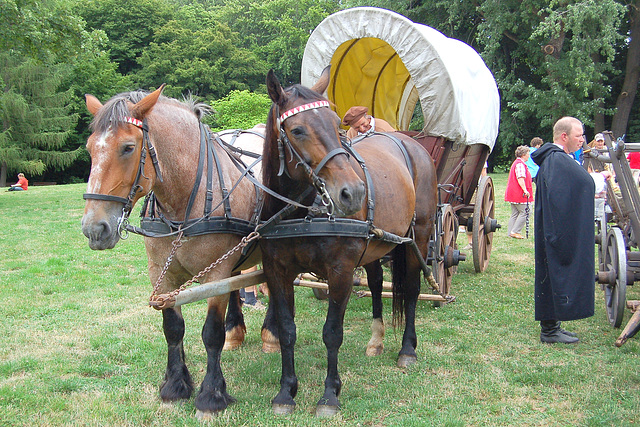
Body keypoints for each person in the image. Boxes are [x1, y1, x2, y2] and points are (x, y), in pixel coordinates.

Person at [531, 116, 595, 344]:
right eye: (579, 136)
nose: (583, 140)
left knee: (551, 275)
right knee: (552, 274)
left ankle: (552, 326)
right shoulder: (557, 160)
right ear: (564, 136)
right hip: (555, 230)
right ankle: (549, 330)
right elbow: (567, 192)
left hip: (553, 228)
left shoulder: (555, 159)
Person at [504, 146, 534, 239]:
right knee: (527, 211)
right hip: (519, 193)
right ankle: (515, 231)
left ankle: (511, 232)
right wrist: (525, 190)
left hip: (513, 193)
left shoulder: (517, 163)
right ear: (524, 154)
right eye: (528, 154)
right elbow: (520, 178)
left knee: (515, 213)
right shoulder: (520, 164)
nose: (529, 156)